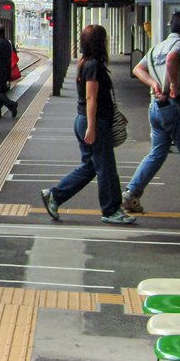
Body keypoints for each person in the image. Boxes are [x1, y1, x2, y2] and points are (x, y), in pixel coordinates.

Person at [41, 24, 136, 225]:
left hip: (87, 120)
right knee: (106, 169)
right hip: (94, 122)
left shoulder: (85, 62)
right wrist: (92, 127)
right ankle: (111, 210)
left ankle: (55, 196)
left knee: (91, 166)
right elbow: (91, 98)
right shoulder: (93, 66)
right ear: (100, 43)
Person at [121, 10, 180, 216]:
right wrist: (172, 85)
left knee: (157, 153)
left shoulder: (158, 46)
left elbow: (138, 69)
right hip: (174, 106)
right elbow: (172, 59)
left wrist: (154, 84)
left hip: (156, 108)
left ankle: (131, 195)